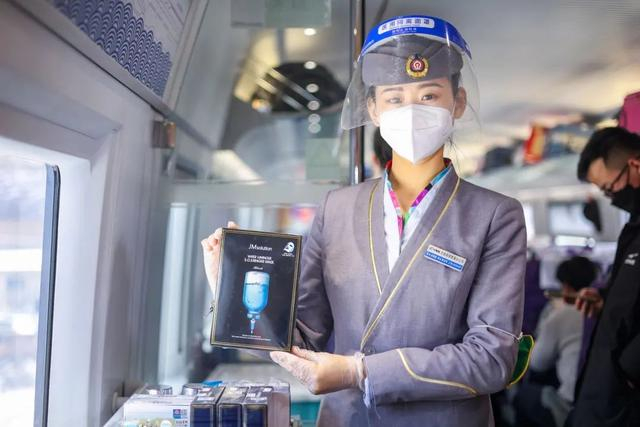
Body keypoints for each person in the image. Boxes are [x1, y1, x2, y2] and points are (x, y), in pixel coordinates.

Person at [202, 15, 527, 426]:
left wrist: (361, 371)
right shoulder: (337, 208)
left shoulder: (494, 215)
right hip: (350, 417)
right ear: (373, 109)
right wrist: (231, 289)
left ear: (457, 103)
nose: (411, 111)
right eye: (394, 98)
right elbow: (299, 336)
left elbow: (492, 358)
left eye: (429, 95)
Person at [568, 126, 640, 426]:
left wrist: (629, 370)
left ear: (635, 165)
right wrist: (605, 302)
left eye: (610, 189)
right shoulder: (634, 227)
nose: (612, 198)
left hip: (625, 399)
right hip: (605, 389)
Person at [514, 256, 598, 427]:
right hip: (599, 400)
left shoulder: (563, 313)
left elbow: (538, 363)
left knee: (523, 396)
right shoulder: (604, 309)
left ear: (565, 286)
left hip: (570, 404)